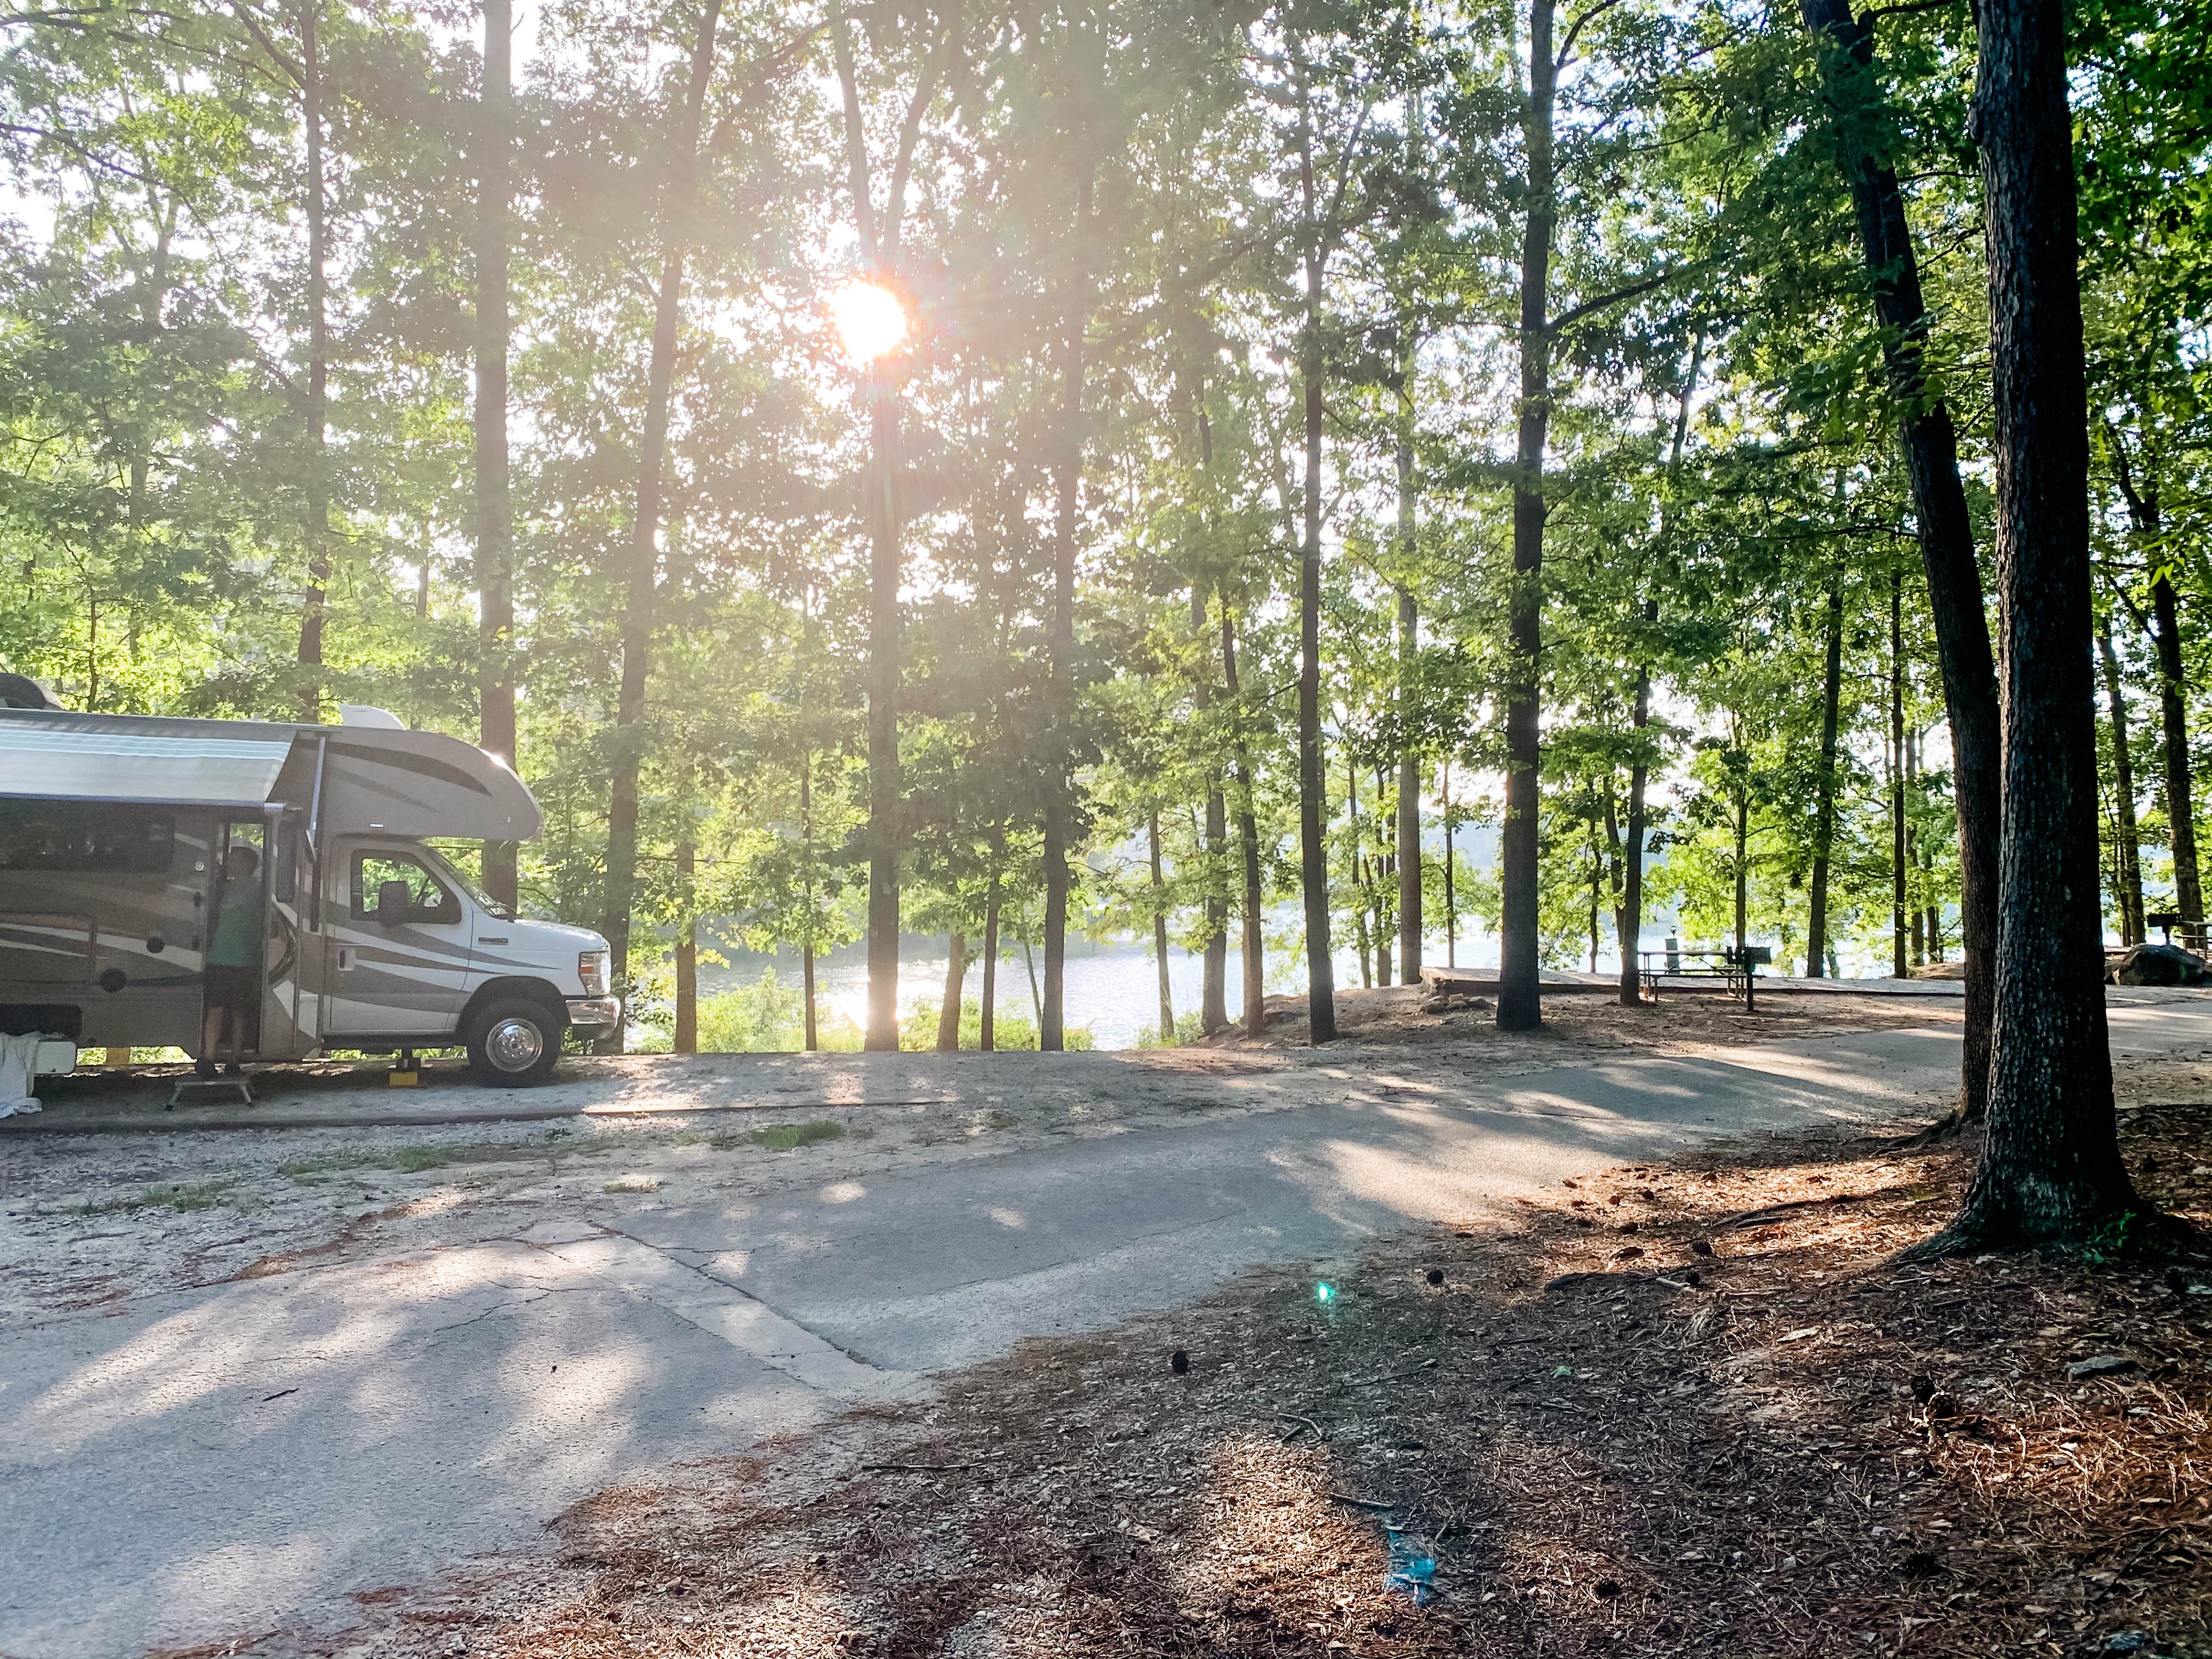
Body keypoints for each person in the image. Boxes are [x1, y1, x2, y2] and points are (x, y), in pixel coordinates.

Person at [198, 843, 262, 1081]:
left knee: (239, 1012)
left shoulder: (260, 890)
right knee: (215, 1009)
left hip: (247, 959)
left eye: (233, 859)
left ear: (248, 865)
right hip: (219, 956)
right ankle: (208, 1058)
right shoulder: (225, 888)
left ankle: (234, 1060)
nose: (227, 862)